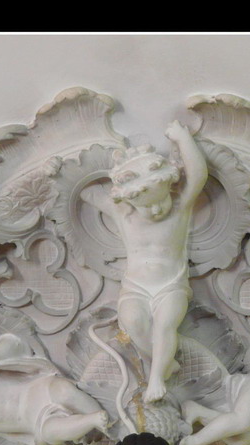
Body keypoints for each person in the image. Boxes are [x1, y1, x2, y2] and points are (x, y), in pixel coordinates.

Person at [80, 120, 208, 403]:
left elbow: (198, 175)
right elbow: (84, 191)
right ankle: (165, 363)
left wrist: (182, 138)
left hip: (171, 285)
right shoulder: (122, 214)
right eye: (147, 206)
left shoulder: (180, 209)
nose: (157, 209)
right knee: (132, 323)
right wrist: (60, 172)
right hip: (135, 287)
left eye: (161, 200)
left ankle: (157, 378)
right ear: (128, 201)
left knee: (165, 325)